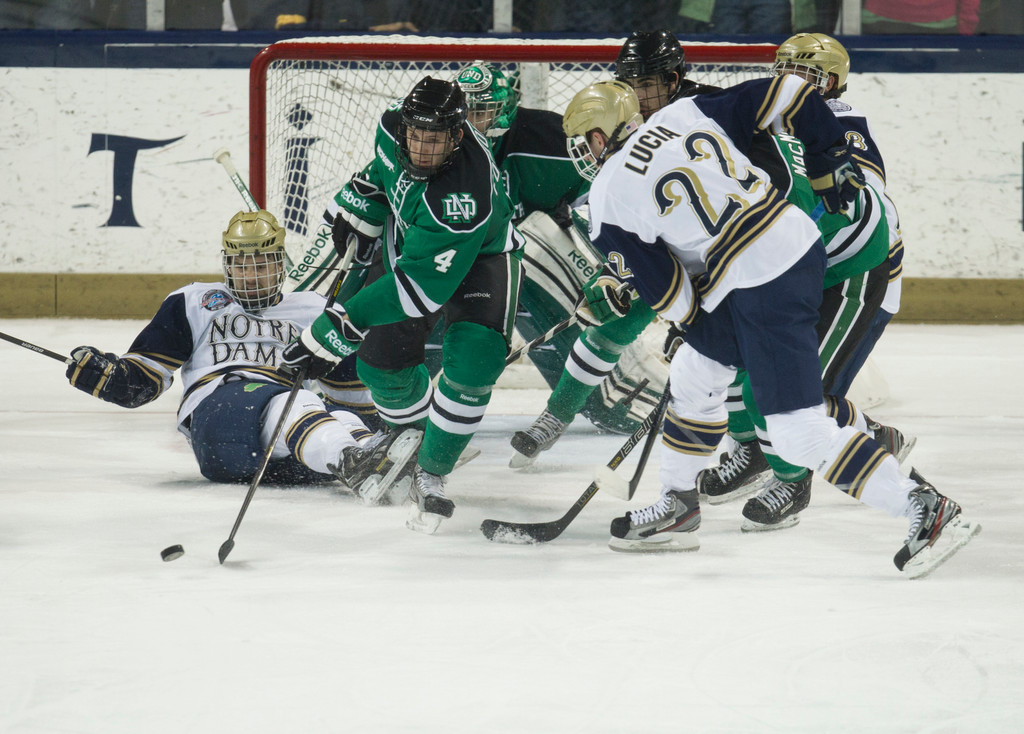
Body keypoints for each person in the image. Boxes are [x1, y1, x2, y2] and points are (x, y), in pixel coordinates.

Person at [560, 78, 979, 576]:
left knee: (795, 431)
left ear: (601, 137)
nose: (583, 154)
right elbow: (791, 92)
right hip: (791, 241)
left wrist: (694, 322)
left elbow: (672, 294)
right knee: (696, 372)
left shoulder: (607, 196)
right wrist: (827, 154)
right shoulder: (682, 113)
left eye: (584, 141)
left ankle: (924, 508)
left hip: (759, 281)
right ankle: (678, 503)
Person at [280, 77, 524, 534]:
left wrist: (334, 328)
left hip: (482, 258)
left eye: (435, 140)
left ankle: (432, 469)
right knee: (379, 366)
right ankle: (411, 437)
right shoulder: (393, 124)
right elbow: (382, 171)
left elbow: (418, 290)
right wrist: (362, 208)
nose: (422, 150)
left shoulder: (461, 195)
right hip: (417, 248)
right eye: (416, 136)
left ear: (457, 135)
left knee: (476, 359)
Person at [699, 33, 913, 527]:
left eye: (807, 75)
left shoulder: (843, 123)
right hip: (800, 271)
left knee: (792, 393)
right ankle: (754, 453)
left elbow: (853, 206)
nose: (792, 83)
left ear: (834, 83)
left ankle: (806, 475)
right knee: (734, 363)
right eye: (785, 71)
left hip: (856, 274)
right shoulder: (772, 120)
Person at [65, 209, 420, 494]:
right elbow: (142, 382)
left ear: (281, 264)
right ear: (227, 265)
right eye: (242, 265)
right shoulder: (194, 301)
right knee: (295, 402)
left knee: (341, 419)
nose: (251, 275)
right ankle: (352, 459)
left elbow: (353, 397)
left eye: (262, 264)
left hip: (292, 454)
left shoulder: (314, 309)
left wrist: (375, 428)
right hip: (219, 425)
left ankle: (378, 461)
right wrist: (109, 377)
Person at [510, 30, 721, 469]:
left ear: (675, 78)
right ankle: (557, 415)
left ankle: (775, 443)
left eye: (649, 84)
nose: (640, 95)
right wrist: (615, 273)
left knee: (739, 356)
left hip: (726, 247)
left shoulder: (710, 110)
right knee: (610, 327)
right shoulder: (621, 129)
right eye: (632, 83)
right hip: (665, 247)